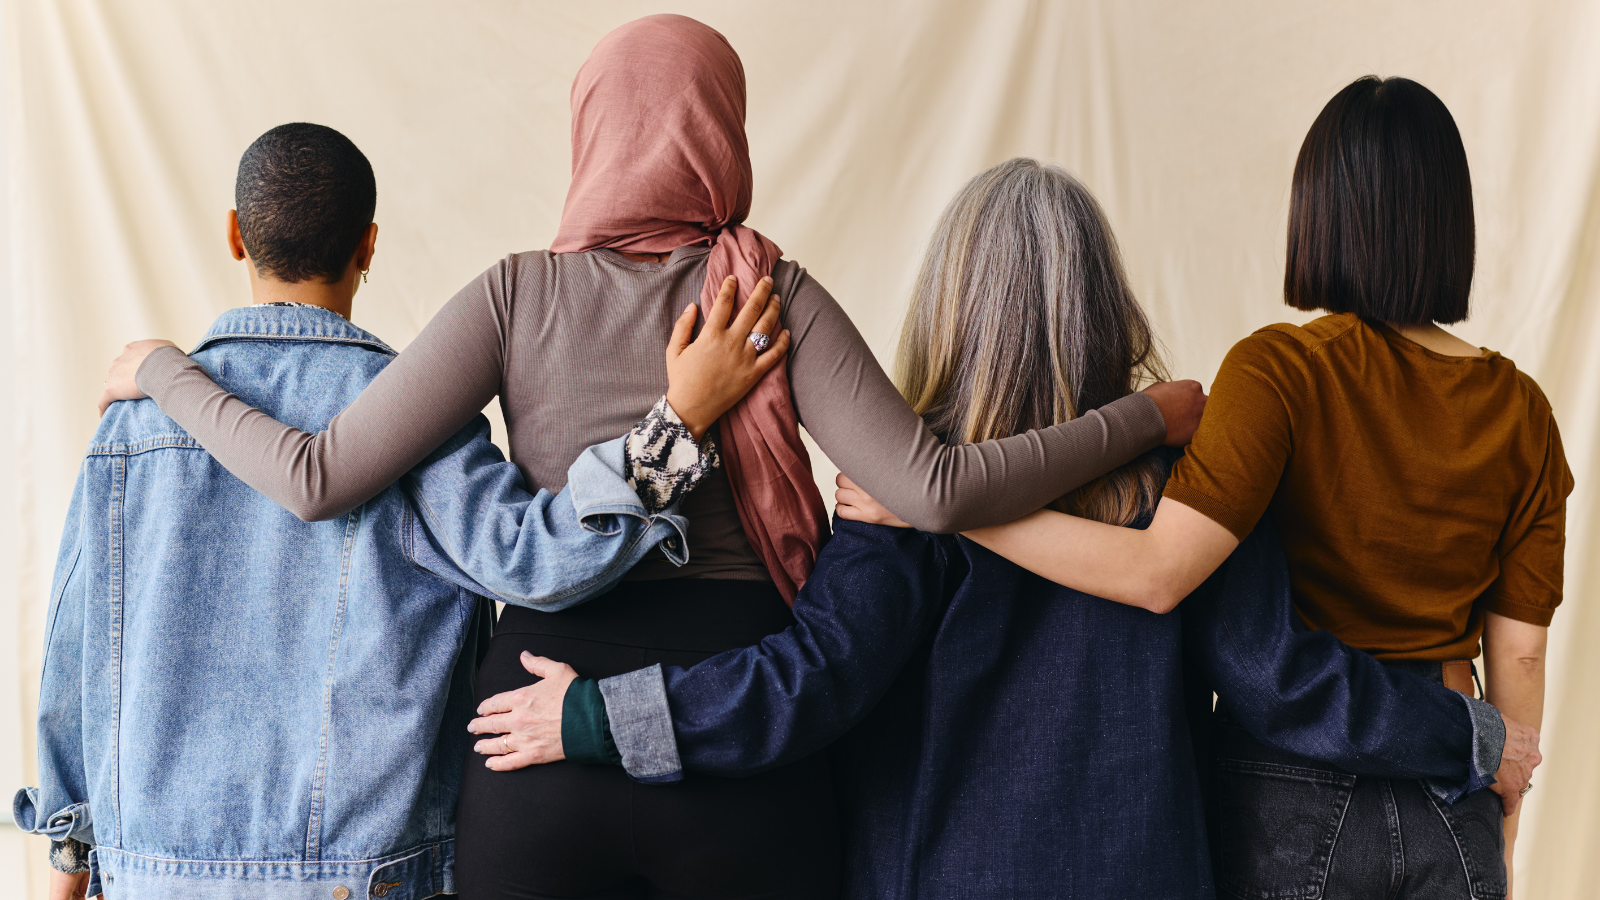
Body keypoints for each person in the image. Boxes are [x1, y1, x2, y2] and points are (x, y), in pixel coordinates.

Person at [95, 16, 1208, 900]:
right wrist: (1144, 420)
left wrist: (161, 369)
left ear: (588, 132)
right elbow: (932, 488)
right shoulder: (769, 295)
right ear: (726, 132)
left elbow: (317, 477)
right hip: (740, 760)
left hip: (529, 741)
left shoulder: (512, 292)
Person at [469, 159, 1529, 900]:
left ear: (948, 302)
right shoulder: (1188, 485)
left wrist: (601, 719)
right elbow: (1279, 679)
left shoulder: (895, 501)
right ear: (1106, 305)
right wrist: (1471, 739)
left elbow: (806, 687)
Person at [15, 123, 774, 900]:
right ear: (369, 246)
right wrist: (675, 423)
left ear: (236, 236)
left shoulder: (135, 423)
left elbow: (78, 667)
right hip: (368, 879)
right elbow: (536, 562)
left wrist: (68, 879)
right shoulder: (415, 422)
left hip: (153, 875)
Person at [872, 78, 1564, 899]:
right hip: (1451, 770)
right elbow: (1517, 650)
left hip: (1292, 787)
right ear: (1454, 222)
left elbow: (1160, 571)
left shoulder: (1278, 372)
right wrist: (1502, 810)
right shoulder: (1522, 409)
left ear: (1318, 213)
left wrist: (940, 500)